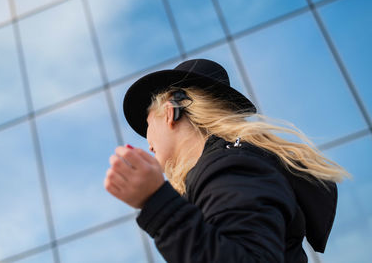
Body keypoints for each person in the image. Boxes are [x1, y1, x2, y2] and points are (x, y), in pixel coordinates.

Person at [104, 59, 349, 262]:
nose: (147, 142)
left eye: (148, 125)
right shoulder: (228, 169)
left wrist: (158, 203)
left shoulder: (231, 167)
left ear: (170, 112)